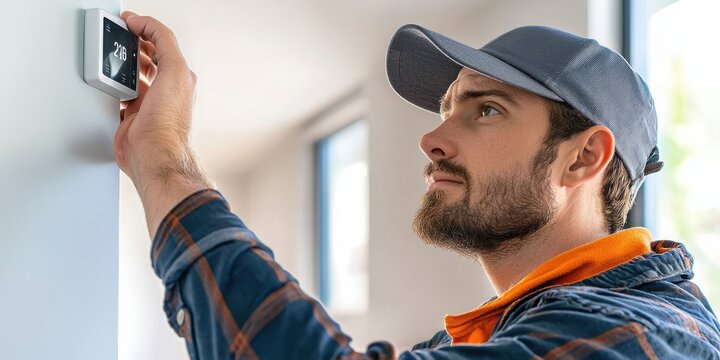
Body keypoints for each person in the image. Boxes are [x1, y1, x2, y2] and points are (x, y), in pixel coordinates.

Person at [116, 10, 720, 359]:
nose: (432, 140)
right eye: (445, 110)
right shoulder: (523, 329)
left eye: (486, 110)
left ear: (583, 157)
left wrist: (166, 163)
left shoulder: (635, 338)